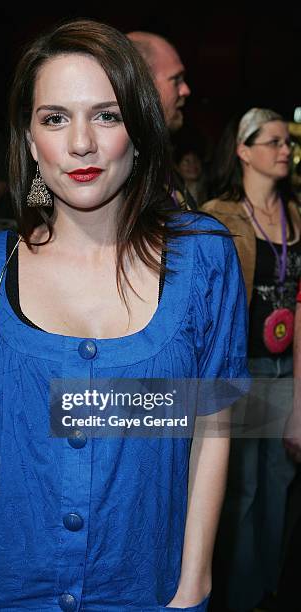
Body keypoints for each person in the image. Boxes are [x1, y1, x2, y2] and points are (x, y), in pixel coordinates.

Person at [0, 20, 248, 611]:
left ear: (139, 130)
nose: (81, 144)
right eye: (55, 118)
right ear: (29, 138)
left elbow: (212, 428)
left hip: (144, 592)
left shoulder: (204, 257)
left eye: (107, 115)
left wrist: (193, 584)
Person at [203, 108, 301, 611]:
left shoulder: (296, 213)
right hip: (241, 370)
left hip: (287, 369)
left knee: (279, 487)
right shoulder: (218, 215)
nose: (286, 150)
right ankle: (237, 598)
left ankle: (267, 592)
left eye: (289, 142)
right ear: (243, 149)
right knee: (239, 490)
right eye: (274, 141)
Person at [126, 31, 196, 211]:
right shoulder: (120, 171)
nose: (185, 90)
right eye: (176, 79)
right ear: (143, 85)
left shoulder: (157, 162)